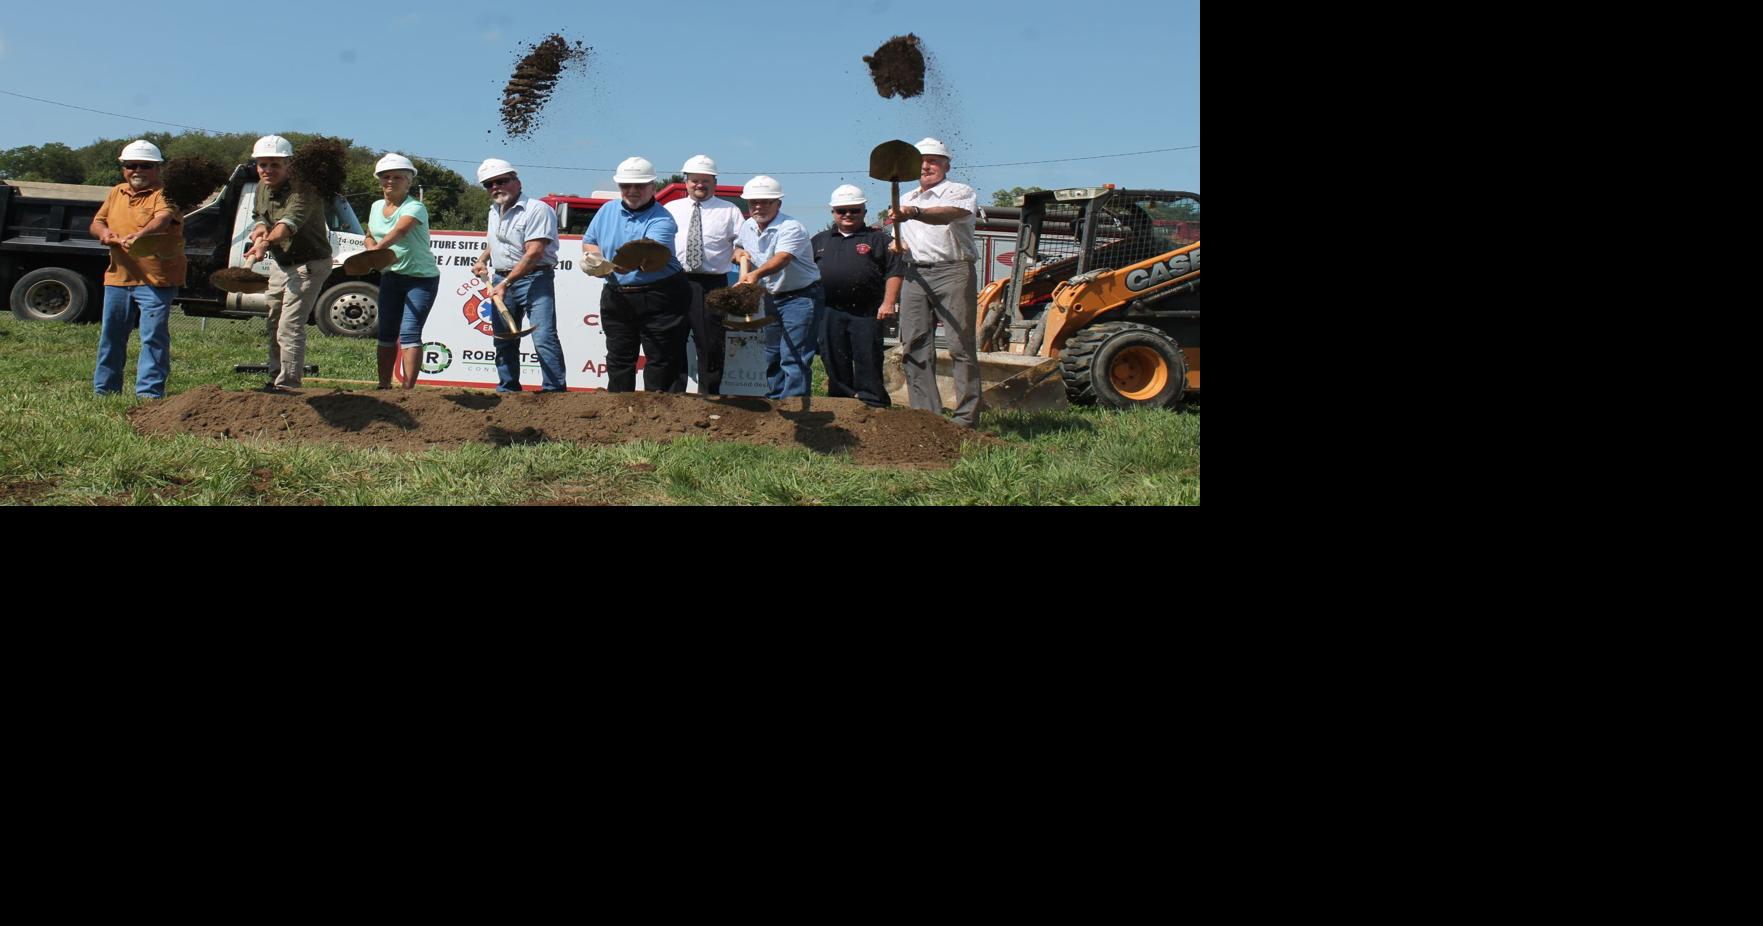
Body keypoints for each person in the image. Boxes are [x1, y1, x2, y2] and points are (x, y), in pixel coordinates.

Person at [886, 137, 982, 427]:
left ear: (946, 165)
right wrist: (896, 245)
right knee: (914, 344)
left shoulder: (959, 192)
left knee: (959, 346)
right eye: (921, 161)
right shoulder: (906, 198)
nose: (926, 166)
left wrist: (914, 213)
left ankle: (966, 418)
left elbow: (948, 215)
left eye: (933, 161)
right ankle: (927, 416)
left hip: (953, 271)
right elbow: (899, 239)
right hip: (915, 274)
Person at [580, 156, 690, 393]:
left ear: (653, 187)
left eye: (639, 186)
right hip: (617, 294)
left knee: (661, 358)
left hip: (660, 294)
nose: (632, 191)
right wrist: (594, 258)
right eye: (625, 186)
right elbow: (589, 241)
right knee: (619, 357)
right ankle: (620, 412)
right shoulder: (607, 209)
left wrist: (606, 267)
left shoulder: (662, 219)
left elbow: (645, 258)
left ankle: (659, 415)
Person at [90, 140, 185, 400]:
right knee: (111, 337)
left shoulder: (166, 194)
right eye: (131, 165)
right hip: (118, 278)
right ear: (123, 168)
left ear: (158, 169)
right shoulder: (116, 192)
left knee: (152, 337)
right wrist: (105, 232)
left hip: (155, 280)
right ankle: (105, 393)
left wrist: (140, 235)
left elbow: (163, 219)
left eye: (146, 166)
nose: (137, 170)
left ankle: (149, 396)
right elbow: (97, 222)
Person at [242, 135, 332, 394]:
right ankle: (274, 378)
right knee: (273, 321)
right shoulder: (262, 186)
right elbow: (261, 216)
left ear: (289, 165)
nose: (267, 170)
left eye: (274, 164)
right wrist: (259, 231)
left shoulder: (305, 190)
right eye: (262, 164)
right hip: (283, 263)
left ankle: (289, 385)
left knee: (289, 325)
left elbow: (287, 226)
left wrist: (264, 243)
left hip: (310, 264)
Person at [468, 158, 565, 393]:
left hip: (534, 279)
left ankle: (555, 394)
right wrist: (483, 259)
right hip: (502, 279)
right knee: (503, 339)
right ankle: (508, 391)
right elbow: (497, 242)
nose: (495, 187)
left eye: (501, 181)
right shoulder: (494, 211)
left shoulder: (537, 210)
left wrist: (507, 282)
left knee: (543, 337)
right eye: (489, 184)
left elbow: (534, 253)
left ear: (517, 182)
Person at [733, 176, 823, 400]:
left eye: (766, 202)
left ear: (778, 204)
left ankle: (794, 403)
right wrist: (739, 256)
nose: (758, 207)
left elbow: (782, 258)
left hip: (800, 297)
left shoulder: (791, 228)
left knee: (794, 353)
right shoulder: (748, 226)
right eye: (754, 202)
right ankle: (776, 400)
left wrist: (754, 274)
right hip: (772, 296)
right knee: (772, 352)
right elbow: (739, 247)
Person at [812, 184, 902, 407]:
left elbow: (895, 270)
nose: (848, 215)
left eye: (854, 210)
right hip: (829, 310)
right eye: (842, 210)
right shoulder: (819, 241)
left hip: (866, 311)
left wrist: (889, 303)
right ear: (833, 212)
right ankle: (840, 402)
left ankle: (873, 403)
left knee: (868, 358)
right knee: (833, 358)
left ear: (864, 211)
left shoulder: (879, 239)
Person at [662, 155, 741, 395]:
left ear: (714, 182)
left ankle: (711, 394)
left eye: (705, 180)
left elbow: (741, 244)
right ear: (686, 182)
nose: (700, 185)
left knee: (710, 343)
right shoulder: (670, 209)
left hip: (712, 284)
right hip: (675, 281)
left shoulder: (729, 210)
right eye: (695, 180)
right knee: (672, 340)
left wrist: (740, 254)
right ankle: (675, 396)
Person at [362, 153, 439, 389]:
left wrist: (375, 251)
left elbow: (399, 231)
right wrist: (370, 248)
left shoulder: (415, 207)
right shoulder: (376, 207)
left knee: (409, 333)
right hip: (391, 276)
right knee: (386, 333)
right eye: (386, 177)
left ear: (409, 181)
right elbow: (369, 235)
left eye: (398, 177)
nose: (391, 181)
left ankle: (408, 390)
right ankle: (383, 387)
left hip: (421, 279)